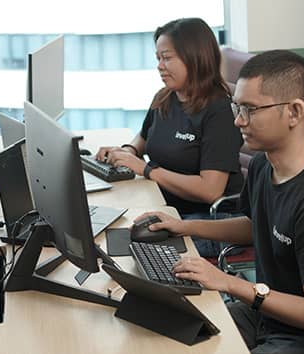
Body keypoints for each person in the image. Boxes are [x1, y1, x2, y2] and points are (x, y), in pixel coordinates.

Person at [142, 50, 304, 354]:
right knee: (174, 334)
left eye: (250, 109)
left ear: (294, 112)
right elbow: (255, 226)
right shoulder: (264, 166)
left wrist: (228, 283)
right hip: (273, 318)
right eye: (237, 106)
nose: (238, 120)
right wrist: (183, 226)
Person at [96, 17, 244, 256]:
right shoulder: (166, 97)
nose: (160, 66)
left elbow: (211, 190)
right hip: (169, 207)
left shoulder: (219, 111)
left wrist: (146, 169)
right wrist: (128, 151)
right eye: (158, 58)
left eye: (167, 58)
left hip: (209, 221)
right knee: (114, 232)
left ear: (195, 58)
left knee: (128, 247)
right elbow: (143, 138)